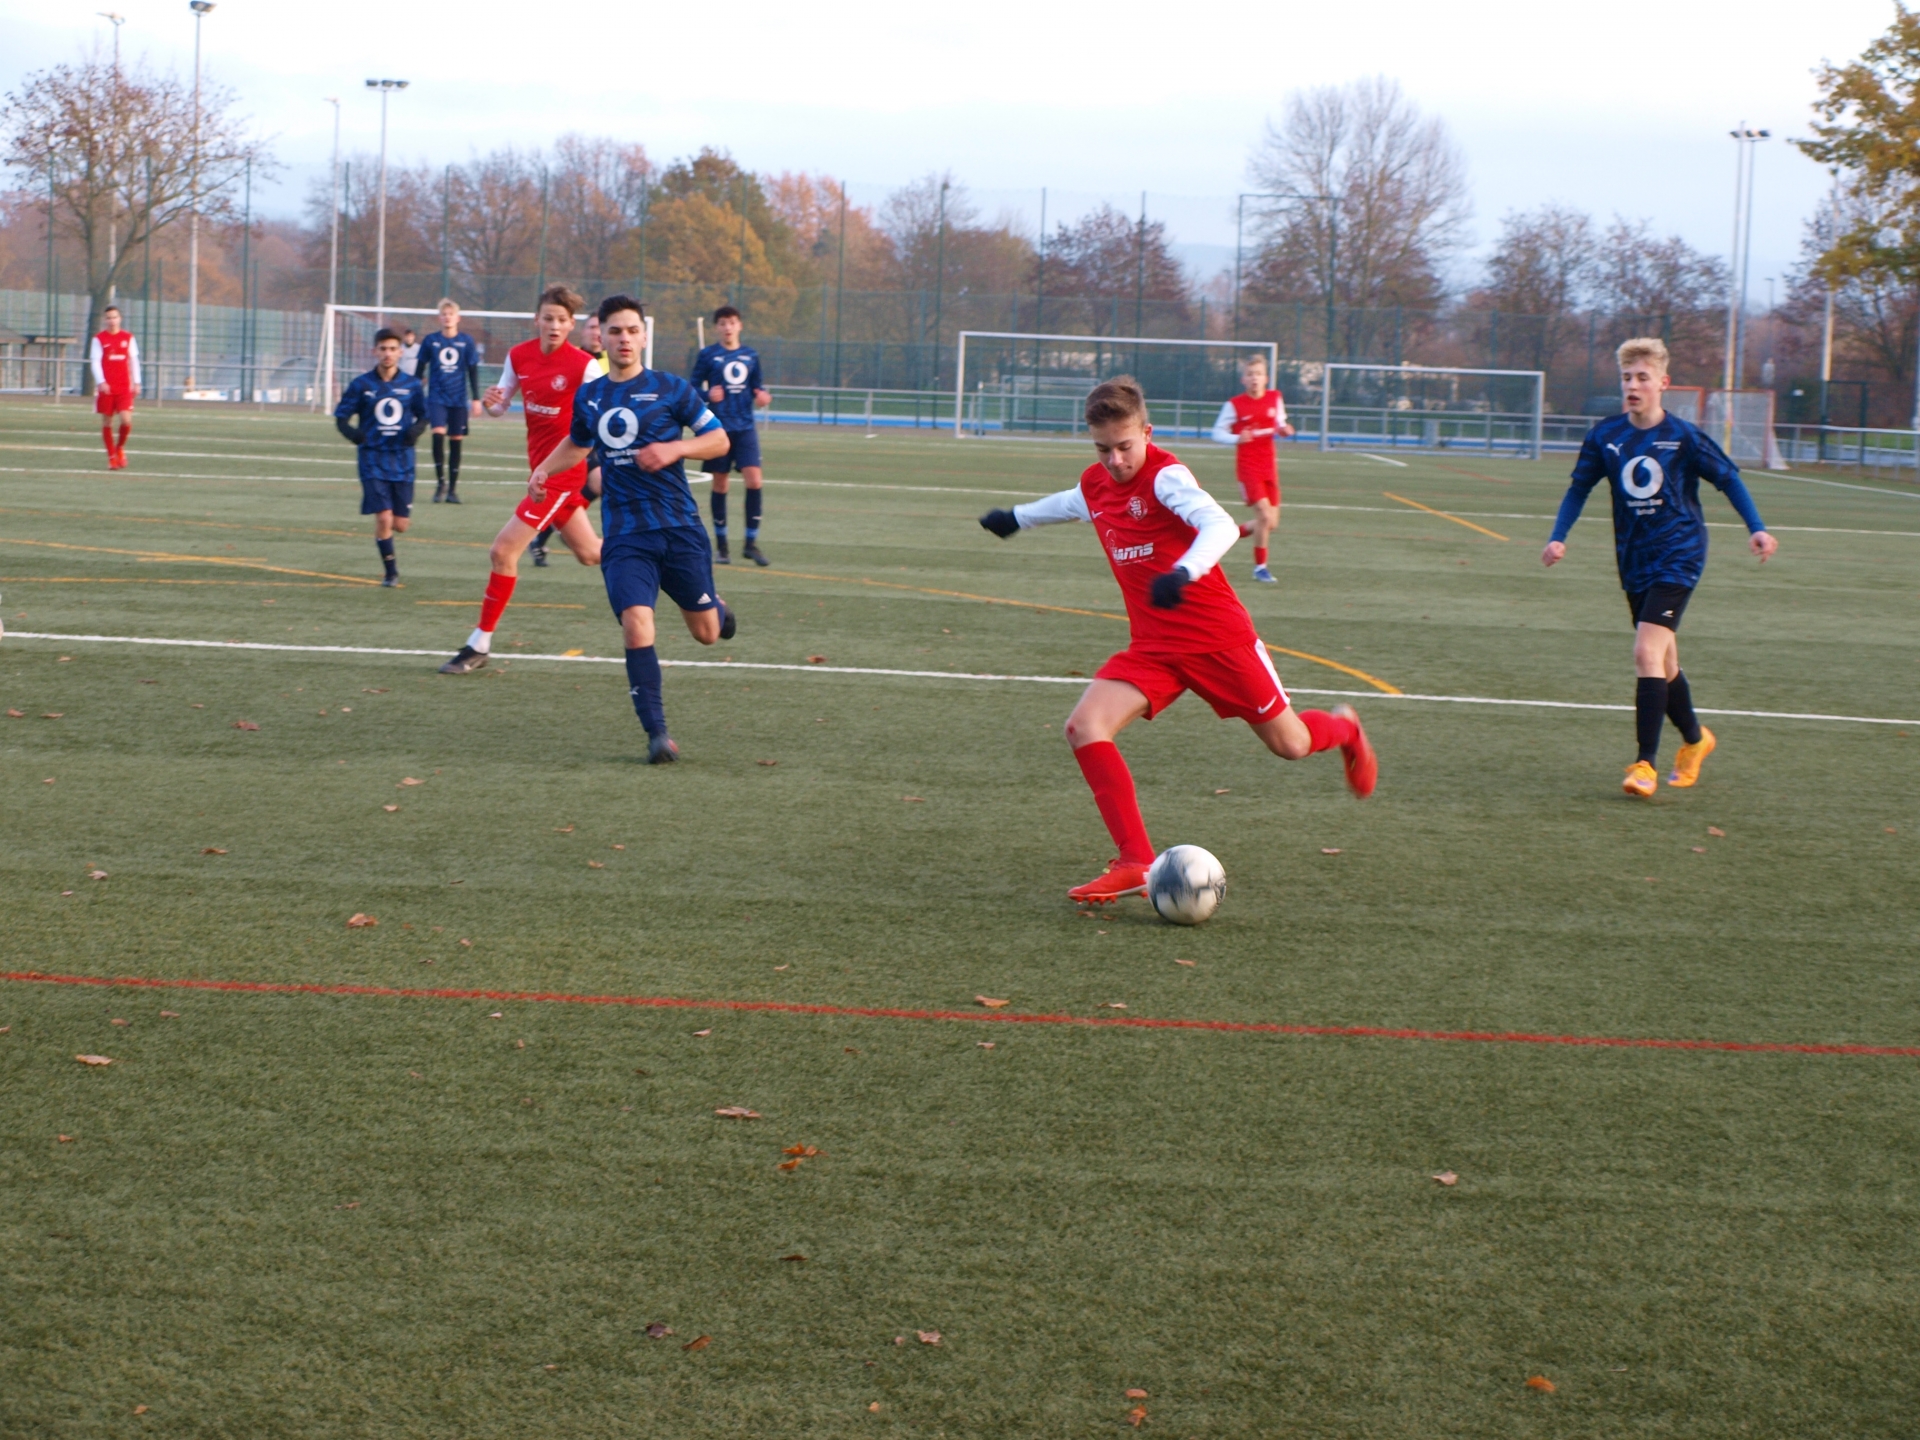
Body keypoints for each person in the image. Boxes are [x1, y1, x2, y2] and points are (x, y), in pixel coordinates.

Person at [979, 376, 1377, 904]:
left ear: (1147, 433)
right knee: (1085, 726)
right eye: (1102, 449)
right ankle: (1134, 861)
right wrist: (1016, 518)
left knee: (1292, 745)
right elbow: (1073, 502)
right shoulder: (1097, 482)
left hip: (1217, 639)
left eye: (1125, 446)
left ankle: (1345, 729)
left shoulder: (1167, 477)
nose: (1116, 460)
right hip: (1154, 647)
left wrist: (1184, 572)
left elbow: (1219, 525)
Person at [1545, 337, 1777, 797]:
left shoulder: (1683, 436)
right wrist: (1558, 536)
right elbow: (1578, 489)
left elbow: (1728, 478)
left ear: (1663, 383)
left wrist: (1756, 527)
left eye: (1642, 378)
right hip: (1635, 559)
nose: (1632, 386)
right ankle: (1696, 740)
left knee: (1645, 653)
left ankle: (1644, 765)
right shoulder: (1605, 436)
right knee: (1665, 664)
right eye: (1626, 378)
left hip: (1680, 554)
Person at [524, 295, 734, 763]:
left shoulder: (671, 388)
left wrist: (675, 450)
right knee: (637, 624)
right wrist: (543, 470)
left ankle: (717, 609)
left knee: (706, 633)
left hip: (678, 528)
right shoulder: (590, 395)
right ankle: (657, 734)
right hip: (625, 535)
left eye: (631, 331)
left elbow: (719, 439)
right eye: (614, 331)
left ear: (644, 336)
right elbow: (578, 443)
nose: (623, 339)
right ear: (601, 336)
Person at [438, 286, 606, 675]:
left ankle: (479, 644)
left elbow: (601, 421)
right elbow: (500, 406)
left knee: (503, 551)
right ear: (536, 320)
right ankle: (659, 556)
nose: (554, 326)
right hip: (540, 475)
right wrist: (494, 403)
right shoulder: (519, 356)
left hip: (560, 476)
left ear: (571, 324)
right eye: (548, 318)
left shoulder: (585, 367)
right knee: (591, 554)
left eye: (562, 320)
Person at [335, 329, 429, 586]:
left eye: (392, 349)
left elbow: (424, 415)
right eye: (383, 349)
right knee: (384, 517)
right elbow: (341, 418)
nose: (388, 354)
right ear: (374, 351)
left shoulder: (411, 385)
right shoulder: (361, 385)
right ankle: (391, 572)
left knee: (401, 524)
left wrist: (416, 431)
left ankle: (390, 557)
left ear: (400, 352)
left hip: (403, 460)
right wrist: (355, 435)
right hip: (372, 460)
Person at [689, 304, 772, 566]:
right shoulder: (708, 355)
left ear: (740, 326)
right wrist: (707, 395)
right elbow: (691, 388)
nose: (728, 327)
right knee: (720, 484)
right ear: (717, 328)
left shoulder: (751, 355)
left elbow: (757, 387)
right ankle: (722, 547)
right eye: (723, 323)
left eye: (732, 322)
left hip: (745, 427)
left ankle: (750, 544)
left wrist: (762, 396)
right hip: (718, 429)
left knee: (755, 481)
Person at [532, 312, 609, 567]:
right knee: (598, 482)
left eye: (601, 328)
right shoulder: (572, 359)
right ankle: (553, 532)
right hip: (573, 440)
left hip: (600, 439)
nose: (596, 333)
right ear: (581, 330)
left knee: (590, 487)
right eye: (592, 327)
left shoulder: (611, 362)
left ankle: (547, 534)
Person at [1209, 354, 1293, 583]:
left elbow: (1280, 422)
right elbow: (1216, 432)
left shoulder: (1275, 398)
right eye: (1250, 374)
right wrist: (1236, 437)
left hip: (1269, 467)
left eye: (1258, 374)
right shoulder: (1234, 405)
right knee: (1264, 516)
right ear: (1243, 379)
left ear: (1266, 378)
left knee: (1270, 523)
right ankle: (1260, 568)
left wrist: (1284, 429)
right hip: (1248, 468)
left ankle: (1230, 534)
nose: (1254, 378)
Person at [415, 299, 483, 503]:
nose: (447, 317)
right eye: (444, 314)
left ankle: (452, 490)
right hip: (437, 398)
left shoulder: (466, 341)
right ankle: (440, 484)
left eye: (451, 314)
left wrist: (476, 398)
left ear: (458, 318)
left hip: (458, 399)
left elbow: (472, 371)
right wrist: (414, 393)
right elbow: (419, 370)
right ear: (439, 318)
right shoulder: (431, 341)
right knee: (437, 435)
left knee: (456, 441)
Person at [90, 304, 141, 470]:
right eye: (109, 318)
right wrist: (101, 381)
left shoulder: (128, 337)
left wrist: (137, 382)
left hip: (124, 386)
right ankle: (111, 457)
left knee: (126, 420)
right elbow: (95, 362)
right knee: (107, 421)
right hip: (107, 387)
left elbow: (134, 360)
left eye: (115, 317)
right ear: (105, 320)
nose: (112, 320)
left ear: (120, 319)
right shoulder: (99, 339)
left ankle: (120, 448)